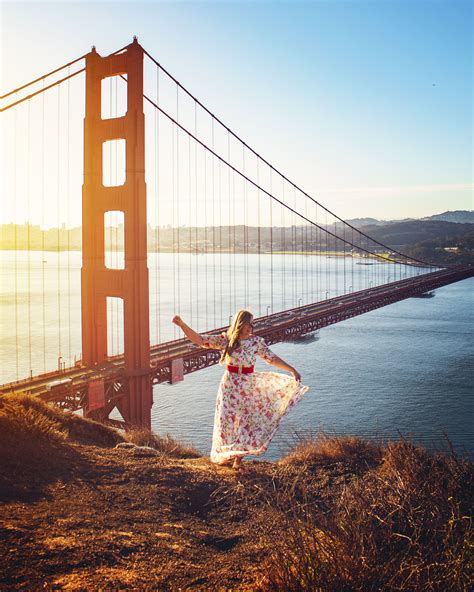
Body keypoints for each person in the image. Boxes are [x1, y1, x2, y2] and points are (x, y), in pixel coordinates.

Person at [172, 309, 309, 470]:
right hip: (230, 385)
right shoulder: (227, 340)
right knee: (226, 421)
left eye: (252, 323)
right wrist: (182, 324)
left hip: (247, 384)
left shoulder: (256, 342)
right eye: (247, 323)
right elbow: (201, 340)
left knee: (245, 422)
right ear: (240, 323)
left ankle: (238, 459)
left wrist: (291, 369)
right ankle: (226, 454)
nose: (250, 326)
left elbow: (271, 359)